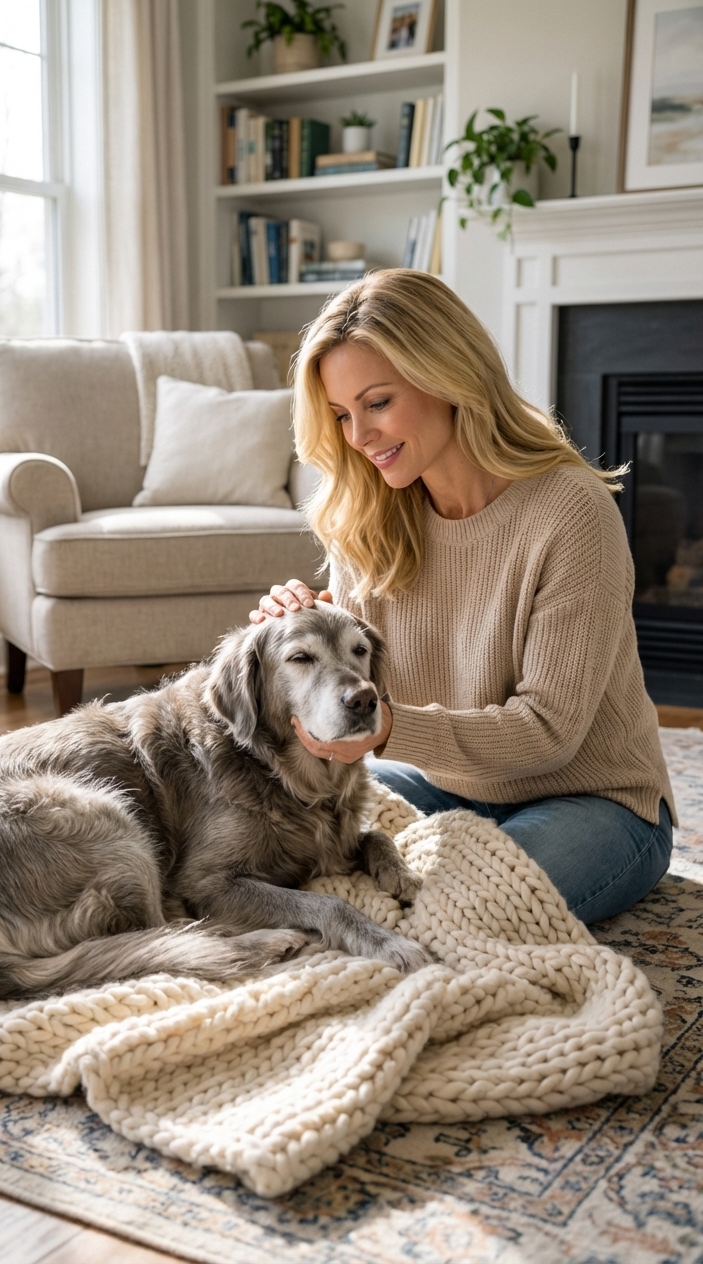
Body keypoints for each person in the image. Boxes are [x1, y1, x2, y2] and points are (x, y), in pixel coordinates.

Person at [251, 269, 674, 925]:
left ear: (446, 376)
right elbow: (355, 683)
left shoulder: (569, 512)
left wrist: (388, 729)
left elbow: (548, 734)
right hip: (439, 782)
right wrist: (305, 636)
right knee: (277, 849)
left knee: (451, 909)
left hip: (591, 800)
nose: (357, 436)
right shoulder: (370, 513)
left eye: (377, 402)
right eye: (340, 415)